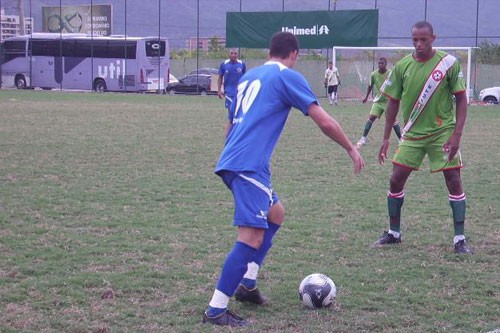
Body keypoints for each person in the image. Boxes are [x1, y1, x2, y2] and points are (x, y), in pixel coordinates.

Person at [203, 32, 365, 327]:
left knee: (276, 214)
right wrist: (351, 148)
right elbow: (324, 121)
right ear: (295, 53)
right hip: (248, 166)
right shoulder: (286, 76)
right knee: (251, 236)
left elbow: (231, 122)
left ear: (269, 51)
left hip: (237, 161)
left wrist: (231, 159)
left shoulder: (249, 77)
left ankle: (248, 285)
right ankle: (216, 309)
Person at [374, 21, 472, 254]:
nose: (418, 44)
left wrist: (457, 134)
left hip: (442, 134)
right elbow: (393, 103)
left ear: (433, 38)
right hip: (412, 135)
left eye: (423, 40)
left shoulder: (448, 64)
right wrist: (386, 138)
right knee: (395, 179)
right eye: (415, 40)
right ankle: (394, 233)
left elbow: (461, 98)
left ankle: (460, 239)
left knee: (454, 180)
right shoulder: (402, 66)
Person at [356, 57, 402, 147]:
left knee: (393, 121)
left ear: (386, 64)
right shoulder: (374, 74)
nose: (380, 65)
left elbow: (397, 85)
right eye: (379, 63)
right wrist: (366, 97)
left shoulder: (391, 74)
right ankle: (363, 138)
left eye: (382, 63)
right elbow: (370, 85)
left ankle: (400, 139)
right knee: (371, 118)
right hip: (378, 101)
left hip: (389, 101)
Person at [218, 49, 246, 136]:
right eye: (232, 53)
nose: (233, 55)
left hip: (240, 93)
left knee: (239, 113)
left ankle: (235, 133)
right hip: (229, 93)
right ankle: (229, 134)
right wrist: (219, 90)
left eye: (235, 53)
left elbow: (245, 78)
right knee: (232, 113)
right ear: (229, 54)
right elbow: (220, 77)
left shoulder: (241, 64)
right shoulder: (224, 65)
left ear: (237, 55)